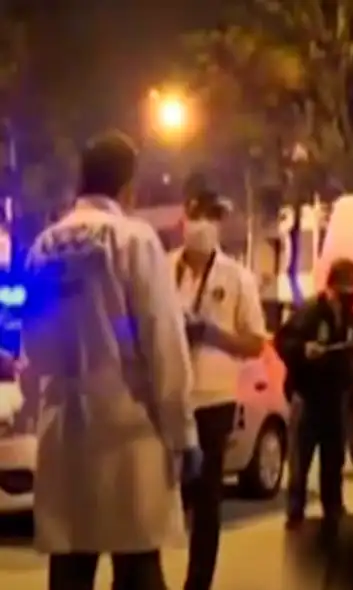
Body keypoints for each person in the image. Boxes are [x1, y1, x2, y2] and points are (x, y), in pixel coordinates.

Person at [21, 131, 200, 590]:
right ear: (127, 186)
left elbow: (33, 350)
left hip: (64, 434)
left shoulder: (44, 247)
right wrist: (182, 432)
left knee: (70, 565)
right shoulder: (134, 240)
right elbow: (163, 341)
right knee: (138, 563)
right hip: (128, 430)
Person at [171, 188, 268, 590]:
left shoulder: (236, 277)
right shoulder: (162, 268)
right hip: (168, 398)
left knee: (207, 499)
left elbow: (256, 342)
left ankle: (198, 583)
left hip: (214, 402)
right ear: (183, 219)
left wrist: (211, 334)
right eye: (196, 215)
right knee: (156, 494)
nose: (201, 225)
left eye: (211, 217)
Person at [275, 258, 353, 530]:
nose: (350, 297)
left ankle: (333, 509)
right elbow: (283, 341)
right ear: (332, 288)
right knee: (300, 459)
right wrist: (303, 349)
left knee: (333, 460)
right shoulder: (310, 312)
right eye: (345, 291)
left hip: (337, 399)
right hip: (308, 396)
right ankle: (295, 512)